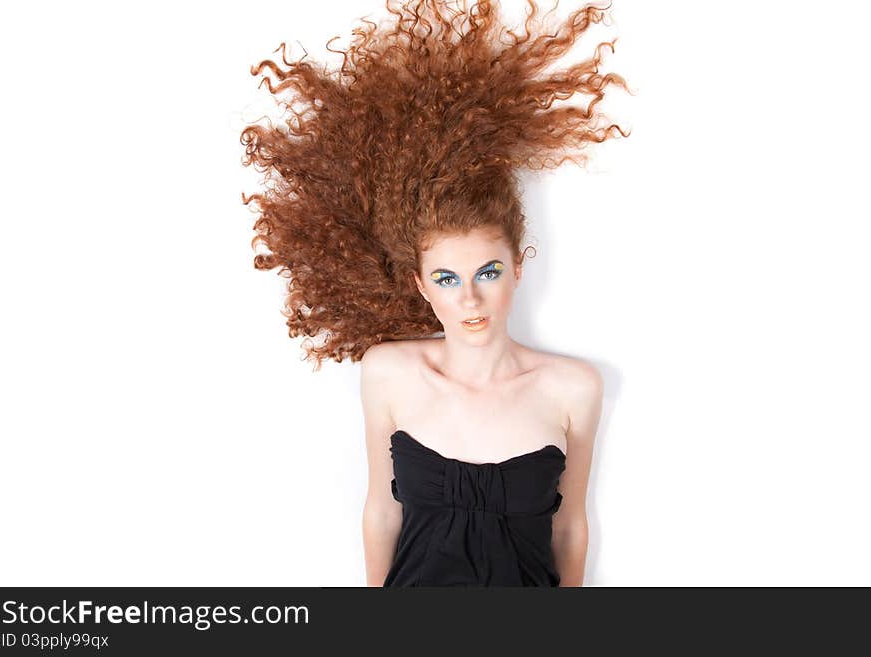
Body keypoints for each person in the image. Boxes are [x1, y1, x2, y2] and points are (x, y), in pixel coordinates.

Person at [239, 0, 628, 586]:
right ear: (421, 285)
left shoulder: (574, 388)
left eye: (488, 272)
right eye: (447, 279)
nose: (469, 298)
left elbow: (570, 526)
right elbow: (381, 510)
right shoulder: (387, 373)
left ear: (519, 269)